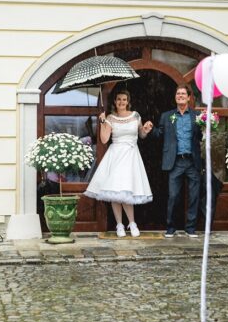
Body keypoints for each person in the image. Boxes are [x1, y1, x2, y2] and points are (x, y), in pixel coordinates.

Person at [85, 90, 153, 237]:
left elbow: (141, 134)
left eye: (124, 99)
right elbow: (104, 139)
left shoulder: (135, 115)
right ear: (115, 102)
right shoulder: (110, 117)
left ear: (128, 101)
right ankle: (119, 225)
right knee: (115, 191)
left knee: (127, 190)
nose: (121, 102)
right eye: (118, 100)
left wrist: (146, 130)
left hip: (131, 155)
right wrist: (102, 122)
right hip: (115, 155)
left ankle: (132, 223)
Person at [150, 85, 201, 238]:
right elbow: (160, 134)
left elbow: (202, 136)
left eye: (183, 94)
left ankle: (191, 228)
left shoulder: (197, 116)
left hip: (192, 161)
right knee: (173, 196)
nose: (180, 96)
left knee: (194, 196)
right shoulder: (167, 116)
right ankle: (170, 227)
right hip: (175, 161)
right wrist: (150, 130)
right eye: (178, 93)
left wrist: (209, 127)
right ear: (175, 97)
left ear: (189, 97)